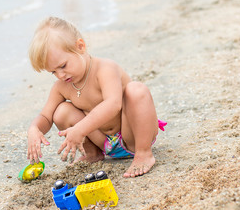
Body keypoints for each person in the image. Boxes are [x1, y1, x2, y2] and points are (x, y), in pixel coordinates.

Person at [26, 17, 166, 178]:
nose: (60, 75)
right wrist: (34, 129)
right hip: (104, 142)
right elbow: (46, 115)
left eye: (63, 66)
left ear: (80, 47)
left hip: (133, 136)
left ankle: (144, 154)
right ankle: (93, 154)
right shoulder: (61, 86)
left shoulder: (104, 69)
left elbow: (113, 104)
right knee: (61, 111)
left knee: (136, 89)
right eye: (53, 72)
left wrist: (80, 129)